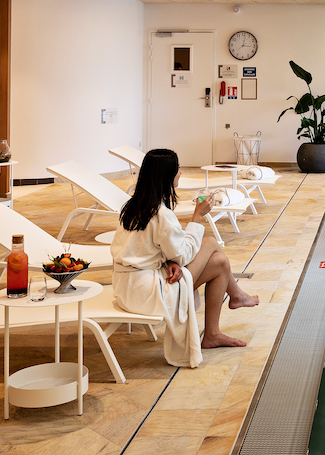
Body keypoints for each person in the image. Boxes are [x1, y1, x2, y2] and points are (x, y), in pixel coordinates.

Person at [110, 148, 259, 367]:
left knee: (219, 262)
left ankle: (216, 329)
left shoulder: (132, 207)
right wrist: (197, 216)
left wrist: (170, 260)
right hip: (147, 293)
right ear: (167, 176)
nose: (180, 173)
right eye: (177, 169)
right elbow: (183, 255)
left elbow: (149, 248)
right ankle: (234, 299)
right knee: (211, 244)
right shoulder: (161, 214)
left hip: (126, 287)